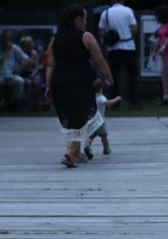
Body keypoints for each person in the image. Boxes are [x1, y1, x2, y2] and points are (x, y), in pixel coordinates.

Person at [46, 5, 114, 168]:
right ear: (78, 20)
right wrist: (109, 76)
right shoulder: (87, 37)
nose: (86, 21)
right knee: (78, 117)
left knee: (72, 117)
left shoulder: (55, 39)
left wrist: (48, 85)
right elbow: (99, 61)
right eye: (85, 18)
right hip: (80, 82)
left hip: (59, 81)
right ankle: (70, 152)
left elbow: (50, 64)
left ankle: (75, 153)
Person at [98, 0, 139, 109]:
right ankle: (133, 102)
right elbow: (134, 28)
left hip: (113, 48)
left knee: (113, 76)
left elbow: (101, 30)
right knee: (132, 76)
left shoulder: (105, 13)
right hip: (129, 46)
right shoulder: (128, 11)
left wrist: (111, 35)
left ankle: (115, 103)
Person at [0, 31, 29, 109]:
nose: (4, 41)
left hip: (10, 75)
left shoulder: (14, 48)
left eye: (6, 39)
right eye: (2, 38)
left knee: (20, 81)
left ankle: (14, 103)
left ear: (10, 40)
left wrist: (19, 68)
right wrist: (7, 51)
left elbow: (26, 59)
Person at [84, 79, 121, 159]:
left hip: (90, 121)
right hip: (99, 122)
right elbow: (108, 104)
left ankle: (87, 146)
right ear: (101, 88)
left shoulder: (89, 98)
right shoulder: (101, 97)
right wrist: (116, 99)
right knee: (104, 135)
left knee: (90, 137)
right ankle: (106, 148)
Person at [19, 36, 45, 111]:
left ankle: (38, 104)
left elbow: (38, 67)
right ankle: (28, 105)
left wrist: (33, 74)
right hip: (23, 74)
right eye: (28, 44)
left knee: (36, 82)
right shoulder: (20, 54)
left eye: (31, 43)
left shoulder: (34, 53)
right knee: (28, 83)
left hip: (34, 74)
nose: (30, 45)